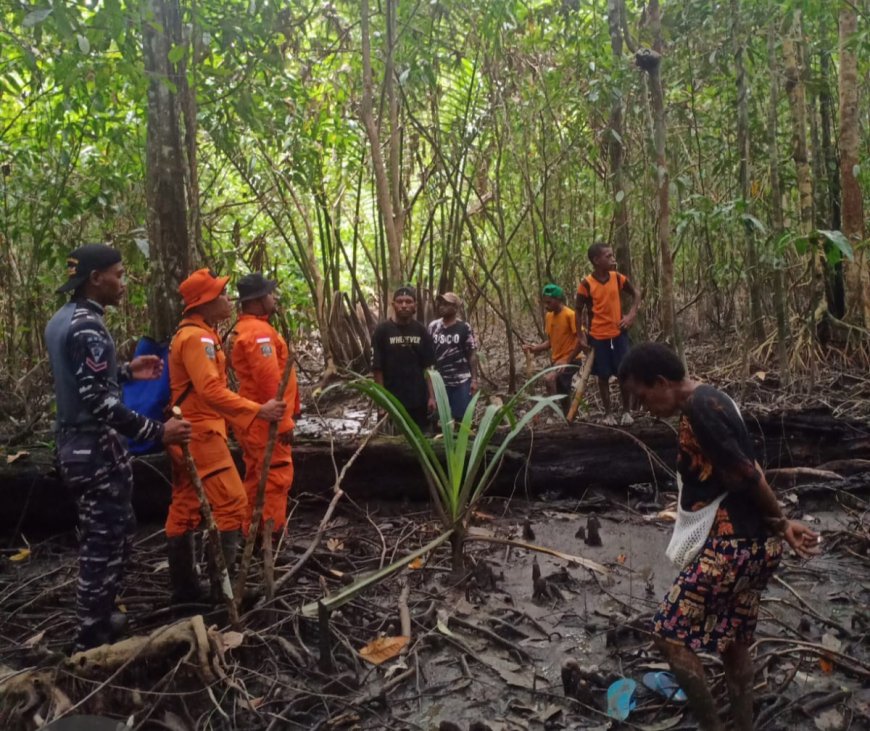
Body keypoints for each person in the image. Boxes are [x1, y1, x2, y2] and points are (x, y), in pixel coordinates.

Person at [617, 343, 819, 731]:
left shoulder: (698, 409)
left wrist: (780, 521)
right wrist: (780, 524)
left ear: (661, 382)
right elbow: (749, 464)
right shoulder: (714, 397)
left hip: (732, 546)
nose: (645, 408)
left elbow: (745, 473)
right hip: (756, 544)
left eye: (643, 397)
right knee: (733, 640)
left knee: (668, 635)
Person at [45, 243, 192, 651]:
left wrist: (126, 371)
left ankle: (102, 616)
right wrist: (157, 431)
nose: (123, 282)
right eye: (119, 274)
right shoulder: (89, 327)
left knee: (113, 530)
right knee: (103, 540)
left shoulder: (63, 319)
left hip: (76, 444)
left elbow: (81, 379)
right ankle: (92, 635)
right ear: (96, 279)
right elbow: (98, 402)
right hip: (91, 448)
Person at [165, 269, 286, 603]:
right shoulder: (198, 338)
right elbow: (210, 390)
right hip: (200, 434)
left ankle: (186, 591)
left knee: (186, 505)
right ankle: (225, 592)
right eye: (222, 295)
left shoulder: (200, 334)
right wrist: (256, 411)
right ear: (204, 303)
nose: (229, 299)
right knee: (233, 503)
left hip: (194, 432)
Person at [228, 272, 300, 539]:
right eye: (270, 293)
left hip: (255, 419)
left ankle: (253, 535)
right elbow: (270, 384)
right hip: (264, 421)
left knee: (257, 477)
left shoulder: (251, 328)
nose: (274, 297)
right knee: (274, 477)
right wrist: (284, 422)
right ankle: (270, 541)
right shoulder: (257, 333)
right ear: (258, 300)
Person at [572, 242, 641, 426]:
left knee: (623, 373)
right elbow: (578, 311)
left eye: (612, 255)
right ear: (596, 260)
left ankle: (626, 412)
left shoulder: (617, 278)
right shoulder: (586, 284)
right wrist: (580, 335)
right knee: (602, 376)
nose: (612, 259)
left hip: (618, 334)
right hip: (598, 337)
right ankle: (608, 414)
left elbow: (636, 294)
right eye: (608, 256)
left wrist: (631, 315)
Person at [371, 286, 436, 430]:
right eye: (400, 302)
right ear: (393, 305)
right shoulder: (382, 331)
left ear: (415, 306)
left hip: (419, 400)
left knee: (420, 441)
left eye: (408, 301)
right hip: (392, 400)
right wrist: (382, 402)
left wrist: (432, 397)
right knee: (391, 445)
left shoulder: (421, 331)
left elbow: (428, 367)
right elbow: (377, 369)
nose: (404, 305)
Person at [427, 292, 479, 421]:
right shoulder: (433, 327)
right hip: (439, 381)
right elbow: (428, 356)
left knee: (462, 419)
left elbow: (472, 353)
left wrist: (474, 380)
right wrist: (431, 392)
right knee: (440, 420)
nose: (441, 306)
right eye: (441, 303)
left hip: (461, 381)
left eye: (446, 304)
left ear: (456, 308)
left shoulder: (464, 327)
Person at [522, 283, 578, 400]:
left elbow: (581, 340)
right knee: (561, 389)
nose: (546, 306)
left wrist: (567, 360)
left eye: (549, 302)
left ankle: (555, 413)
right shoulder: (549, 316)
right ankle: (564, 413)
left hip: (572, 359)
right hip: (557, 361)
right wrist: (534, 348)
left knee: (550, 379)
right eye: (545, 302)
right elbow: (550, 342)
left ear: (558, 300)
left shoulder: (570, 315)